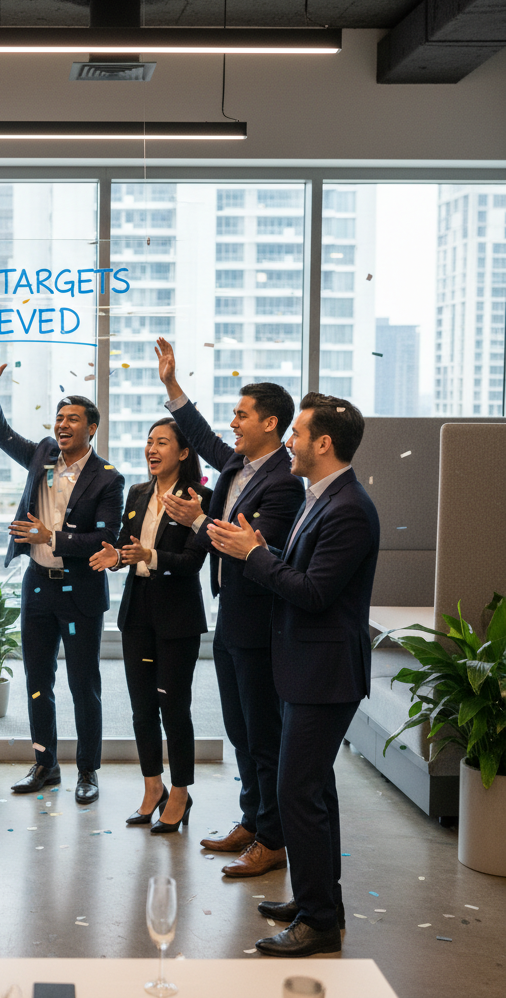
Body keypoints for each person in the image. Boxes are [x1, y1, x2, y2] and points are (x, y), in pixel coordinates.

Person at [206, 393, 379, 957]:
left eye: (298, 435)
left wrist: (255, 554)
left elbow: (313, 591)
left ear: (323, 443)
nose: (290, 445)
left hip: (324, 672)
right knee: (314, 788)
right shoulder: (319, 496)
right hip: (304, 666)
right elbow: (298, 565)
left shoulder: (349, 507)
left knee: (297, 792)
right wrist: (258, 547)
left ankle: (318, 923)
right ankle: (318, 902)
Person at [155, 336, 304, 877]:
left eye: (242, 415)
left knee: (262, 733)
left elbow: (251, 545)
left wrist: (196, 521)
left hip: (260, 624)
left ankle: (273, 838)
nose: (233, 423)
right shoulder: (239, 464)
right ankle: (252, 817)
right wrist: (173, 387)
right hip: (230, 621)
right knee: (239, 729)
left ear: (271, 424)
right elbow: (200, 435)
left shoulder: (285, 480)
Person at [0, 342, 124, 804]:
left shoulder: (108, 478)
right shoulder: (41, 454)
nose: (62, 426)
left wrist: (49, 537)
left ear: (92, 428)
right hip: (37, 587)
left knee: (84, 686)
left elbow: (104, 542)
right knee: (39, 683)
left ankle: (88, 771)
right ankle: (44, 764)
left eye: (72, 419)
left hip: (80, 592)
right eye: (59, 419)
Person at [90, 417, 211, 832]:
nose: (152, 449)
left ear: (182, 452)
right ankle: (152, 787)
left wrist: (147, 556)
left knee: (174, 708)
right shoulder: (139, 493)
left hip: (178, 616)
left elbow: (194, 561)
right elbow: (128, 545)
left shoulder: (198, 499)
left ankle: (180, 792)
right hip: (137, 613)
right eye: (148, 442)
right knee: (142, 708)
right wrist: (117, 557)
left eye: (162, 442)